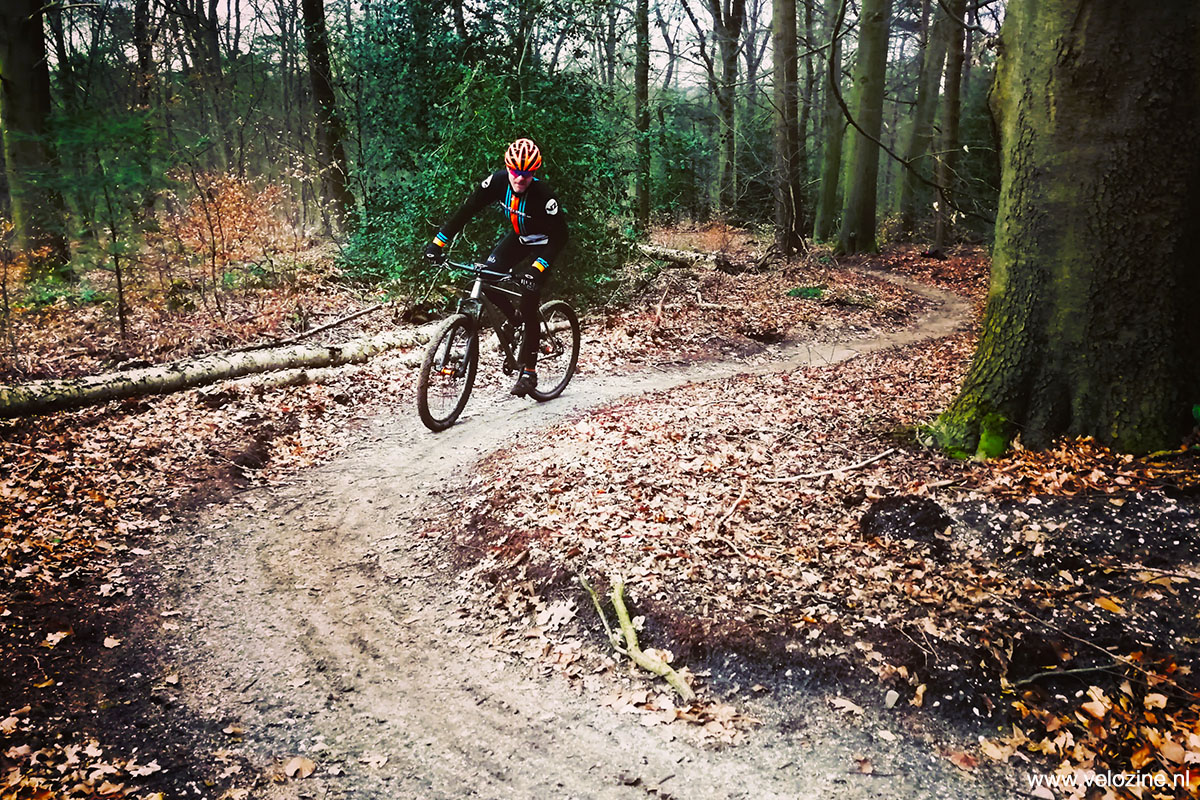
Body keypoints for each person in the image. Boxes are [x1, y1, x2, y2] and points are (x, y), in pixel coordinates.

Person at [424, 138, 568, 398]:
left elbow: (561, 238)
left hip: (545, 245)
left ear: (534, 173)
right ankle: (514, 321)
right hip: (520, 238)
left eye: (527, 173)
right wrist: (438, 242)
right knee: (486, 277)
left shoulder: (544, 197)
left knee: (528, 302)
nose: (520, 178)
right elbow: (467, 210)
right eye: (515, 171)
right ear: (508, 168)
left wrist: (536, 269)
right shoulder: (498, 182)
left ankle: (529, 372)